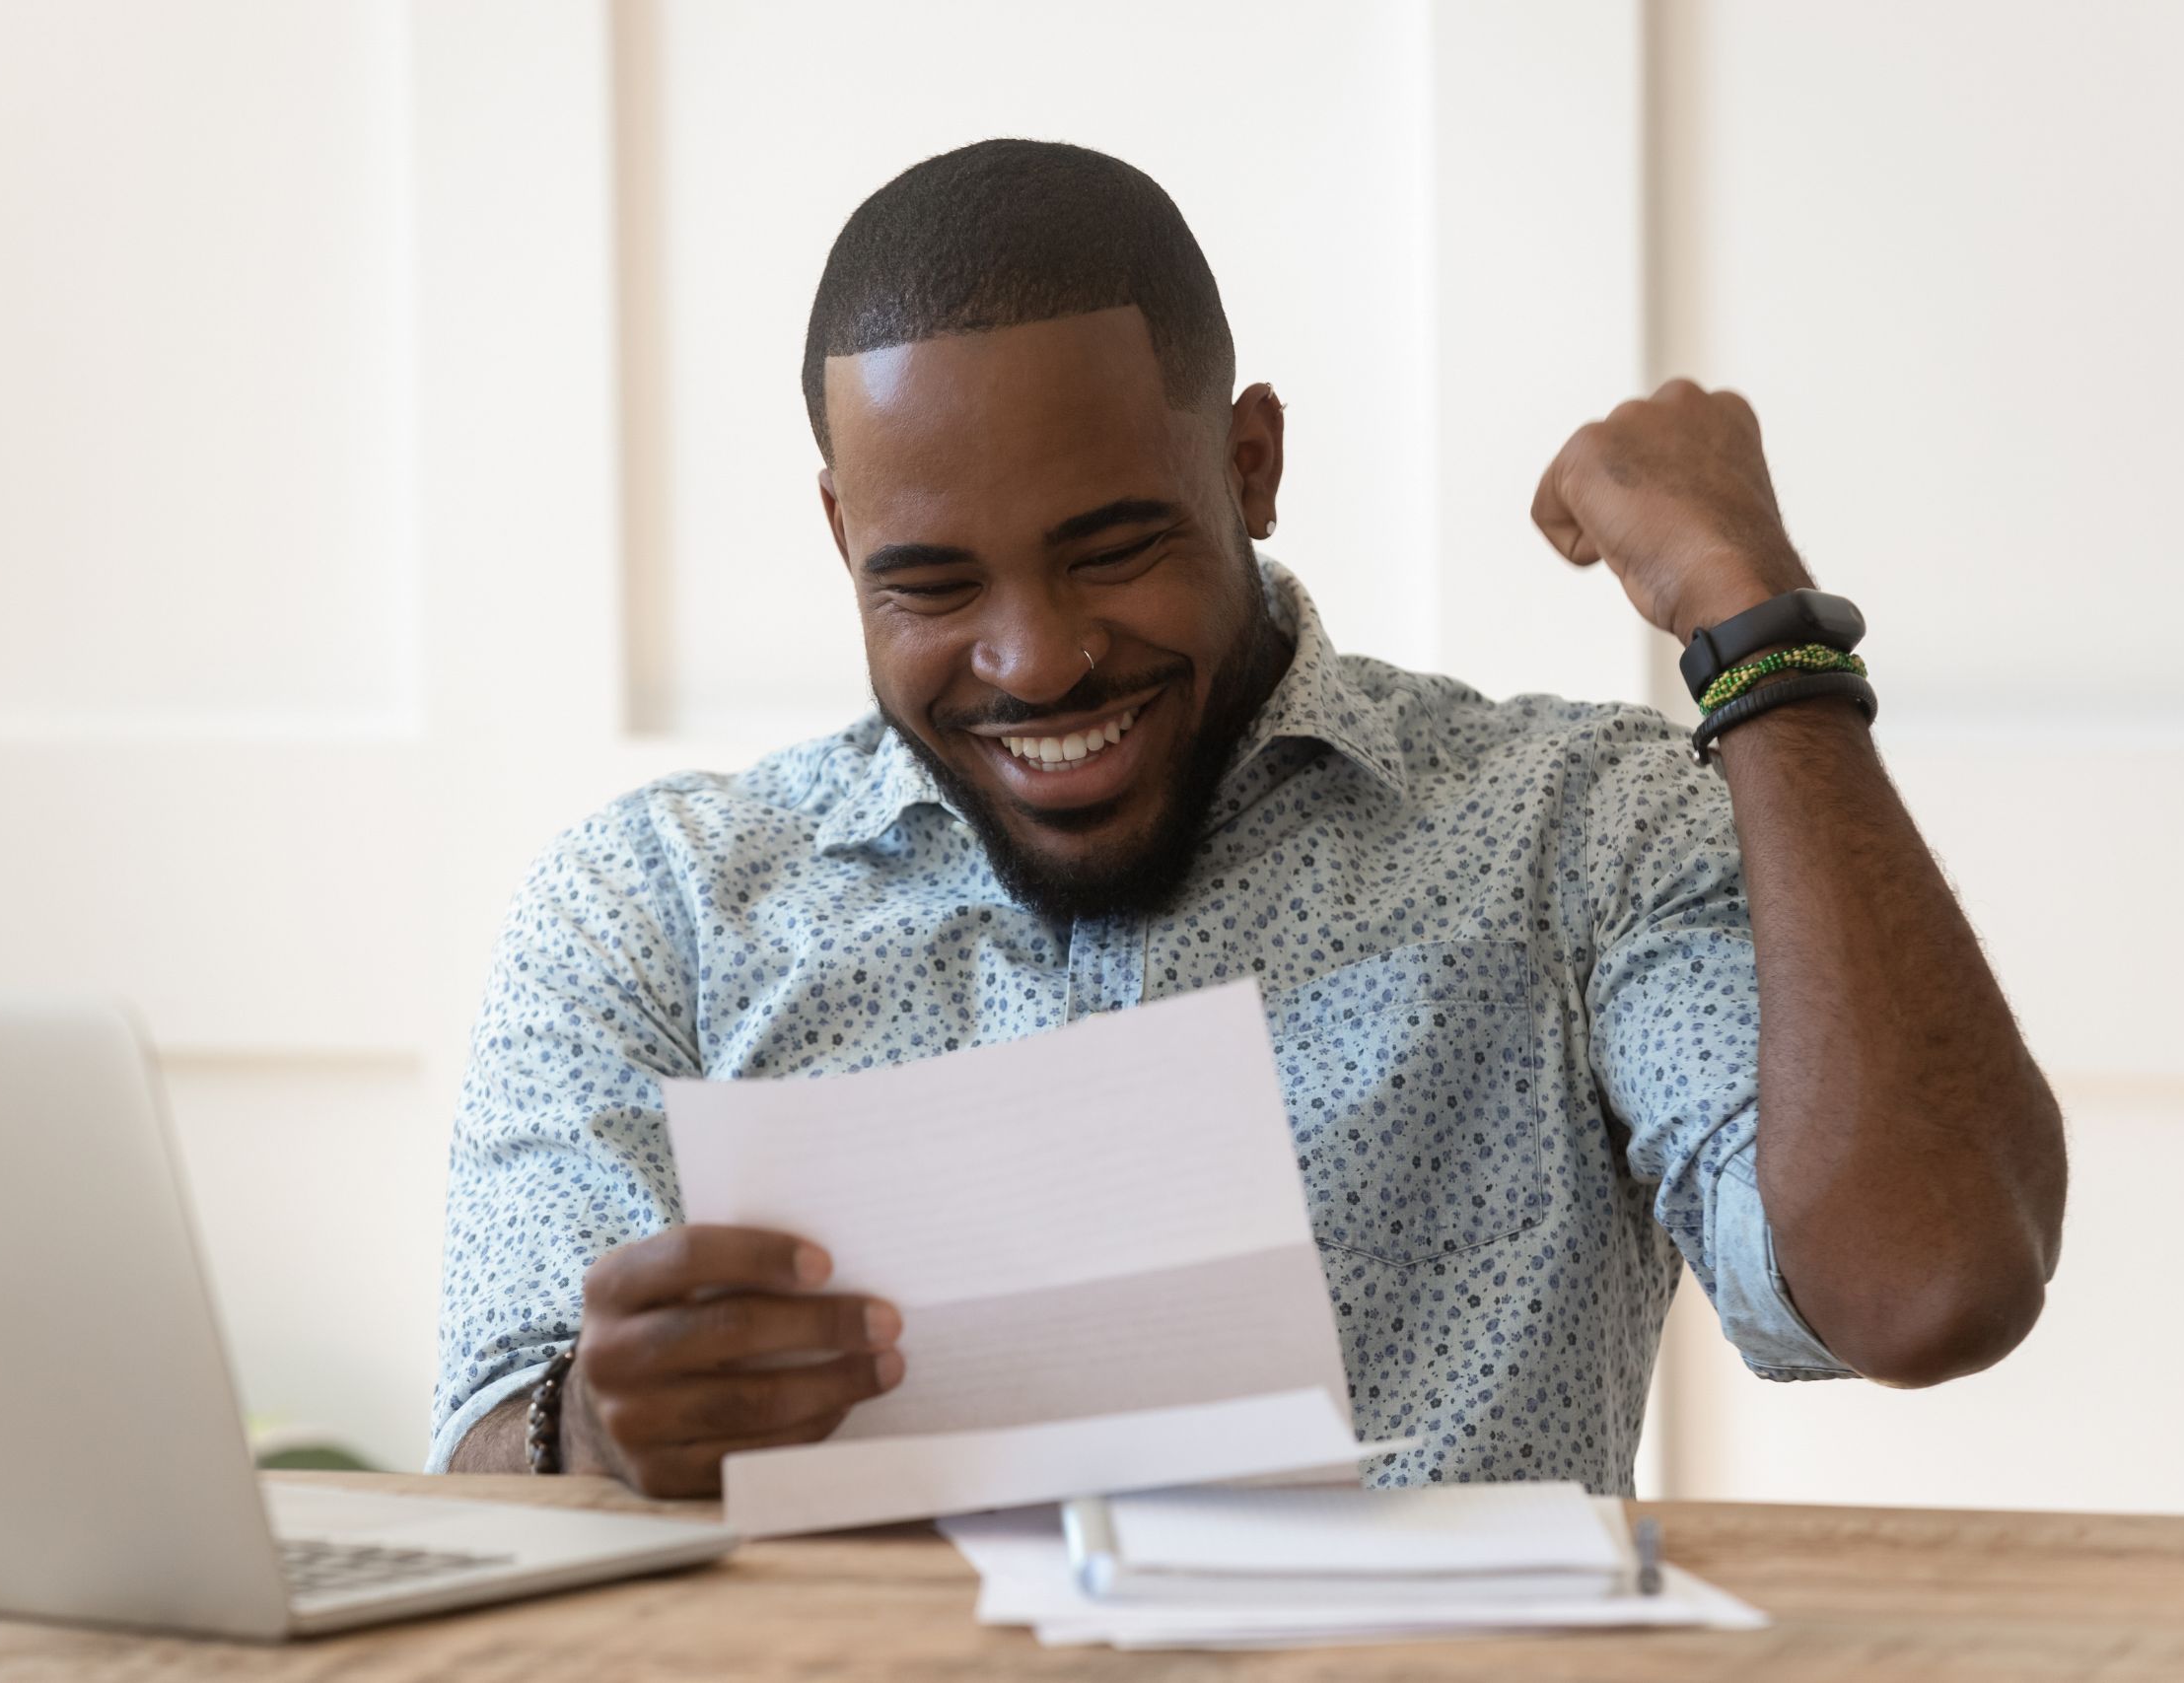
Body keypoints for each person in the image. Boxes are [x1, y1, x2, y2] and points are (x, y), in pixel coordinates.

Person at [432, 139, 2066, 1497]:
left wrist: (1756, 627)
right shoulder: (653, 910)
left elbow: (1926, 1283)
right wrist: (594, 1429)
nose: (1036, 658)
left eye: (1112, 548)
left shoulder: (1578, 835)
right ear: (840, 530)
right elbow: (489, 1452)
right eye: (929, 583)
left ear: (1253, 463)